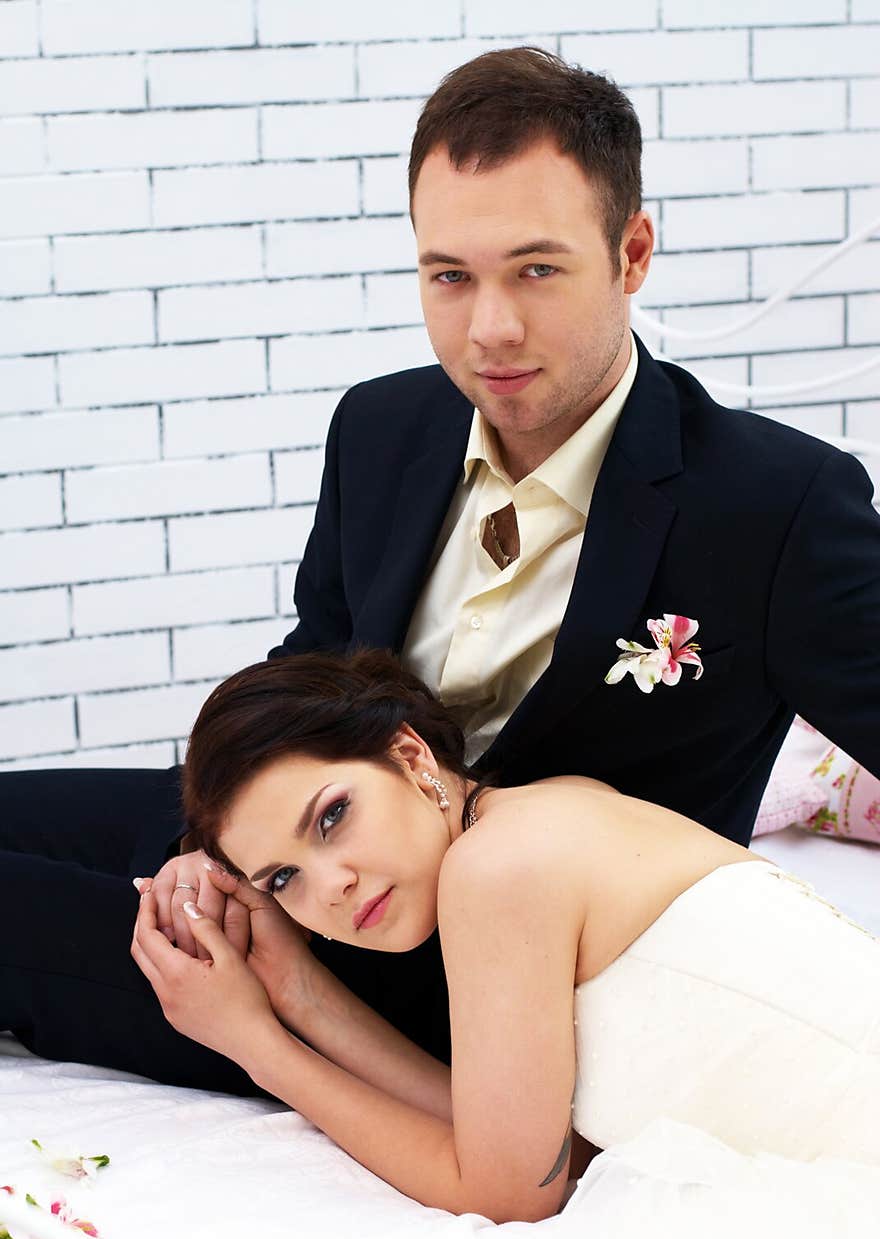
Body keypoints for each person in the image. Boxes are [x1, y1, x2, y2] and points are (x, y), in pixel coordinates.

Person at [2, 48, 879, 1086]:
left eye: (536, 270)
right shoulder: (381, 426)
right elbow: (315, 661)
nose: (489, 329)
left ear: (631, 253)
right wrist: (218, 841)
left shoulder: (774, 503)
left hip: (462, 973)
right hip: (305, 846)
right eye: (449, 277)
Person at [130, 651, 880, 1224]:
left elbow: (506, 1196)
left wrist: (254, 1044)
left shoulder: (496, 871)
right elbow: (541, 1150)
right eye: (283, 879)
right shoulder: (548, 808)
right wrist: (295, 991)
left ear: (411, 755)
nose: (331, 885)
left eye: (332, 816)